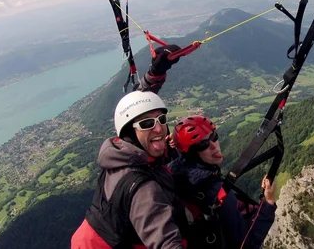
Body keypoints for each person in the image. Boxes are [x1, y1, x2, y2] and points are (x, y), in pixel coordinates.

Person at [71, 44, 190, 249]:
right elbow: (166, 243)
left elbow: (136, 105)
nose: (159, 128)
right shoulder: (144, 189)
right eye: (147, 124)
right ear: (130, 134)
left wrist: (156, 73)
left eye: (161, 119)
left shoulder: (122, 153)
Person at [168, 115, 277, 249]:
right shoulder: (217, 193)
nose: (214, 146)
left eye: (213, 136)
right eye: (203, 144)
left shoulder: (171, 170)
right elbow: (246, 245)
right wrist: (269, 202)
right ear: (192, 154)